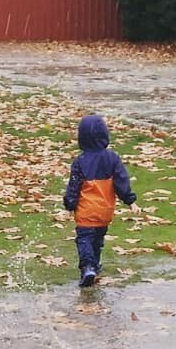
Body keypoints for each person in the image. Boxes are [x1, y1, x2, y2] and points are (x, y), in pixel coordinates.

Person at [63, 114, 137, 288]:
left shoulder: (80, 161)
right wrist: (130, 201)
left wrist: (69, 205)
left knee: (84, 239)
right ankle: (95, 264)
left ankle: (88, 267)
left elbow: (74, 186)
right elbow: (121, 181)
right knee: (97, 239)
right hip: (105, 210)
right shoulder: (112, 158)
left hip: (86, 211)